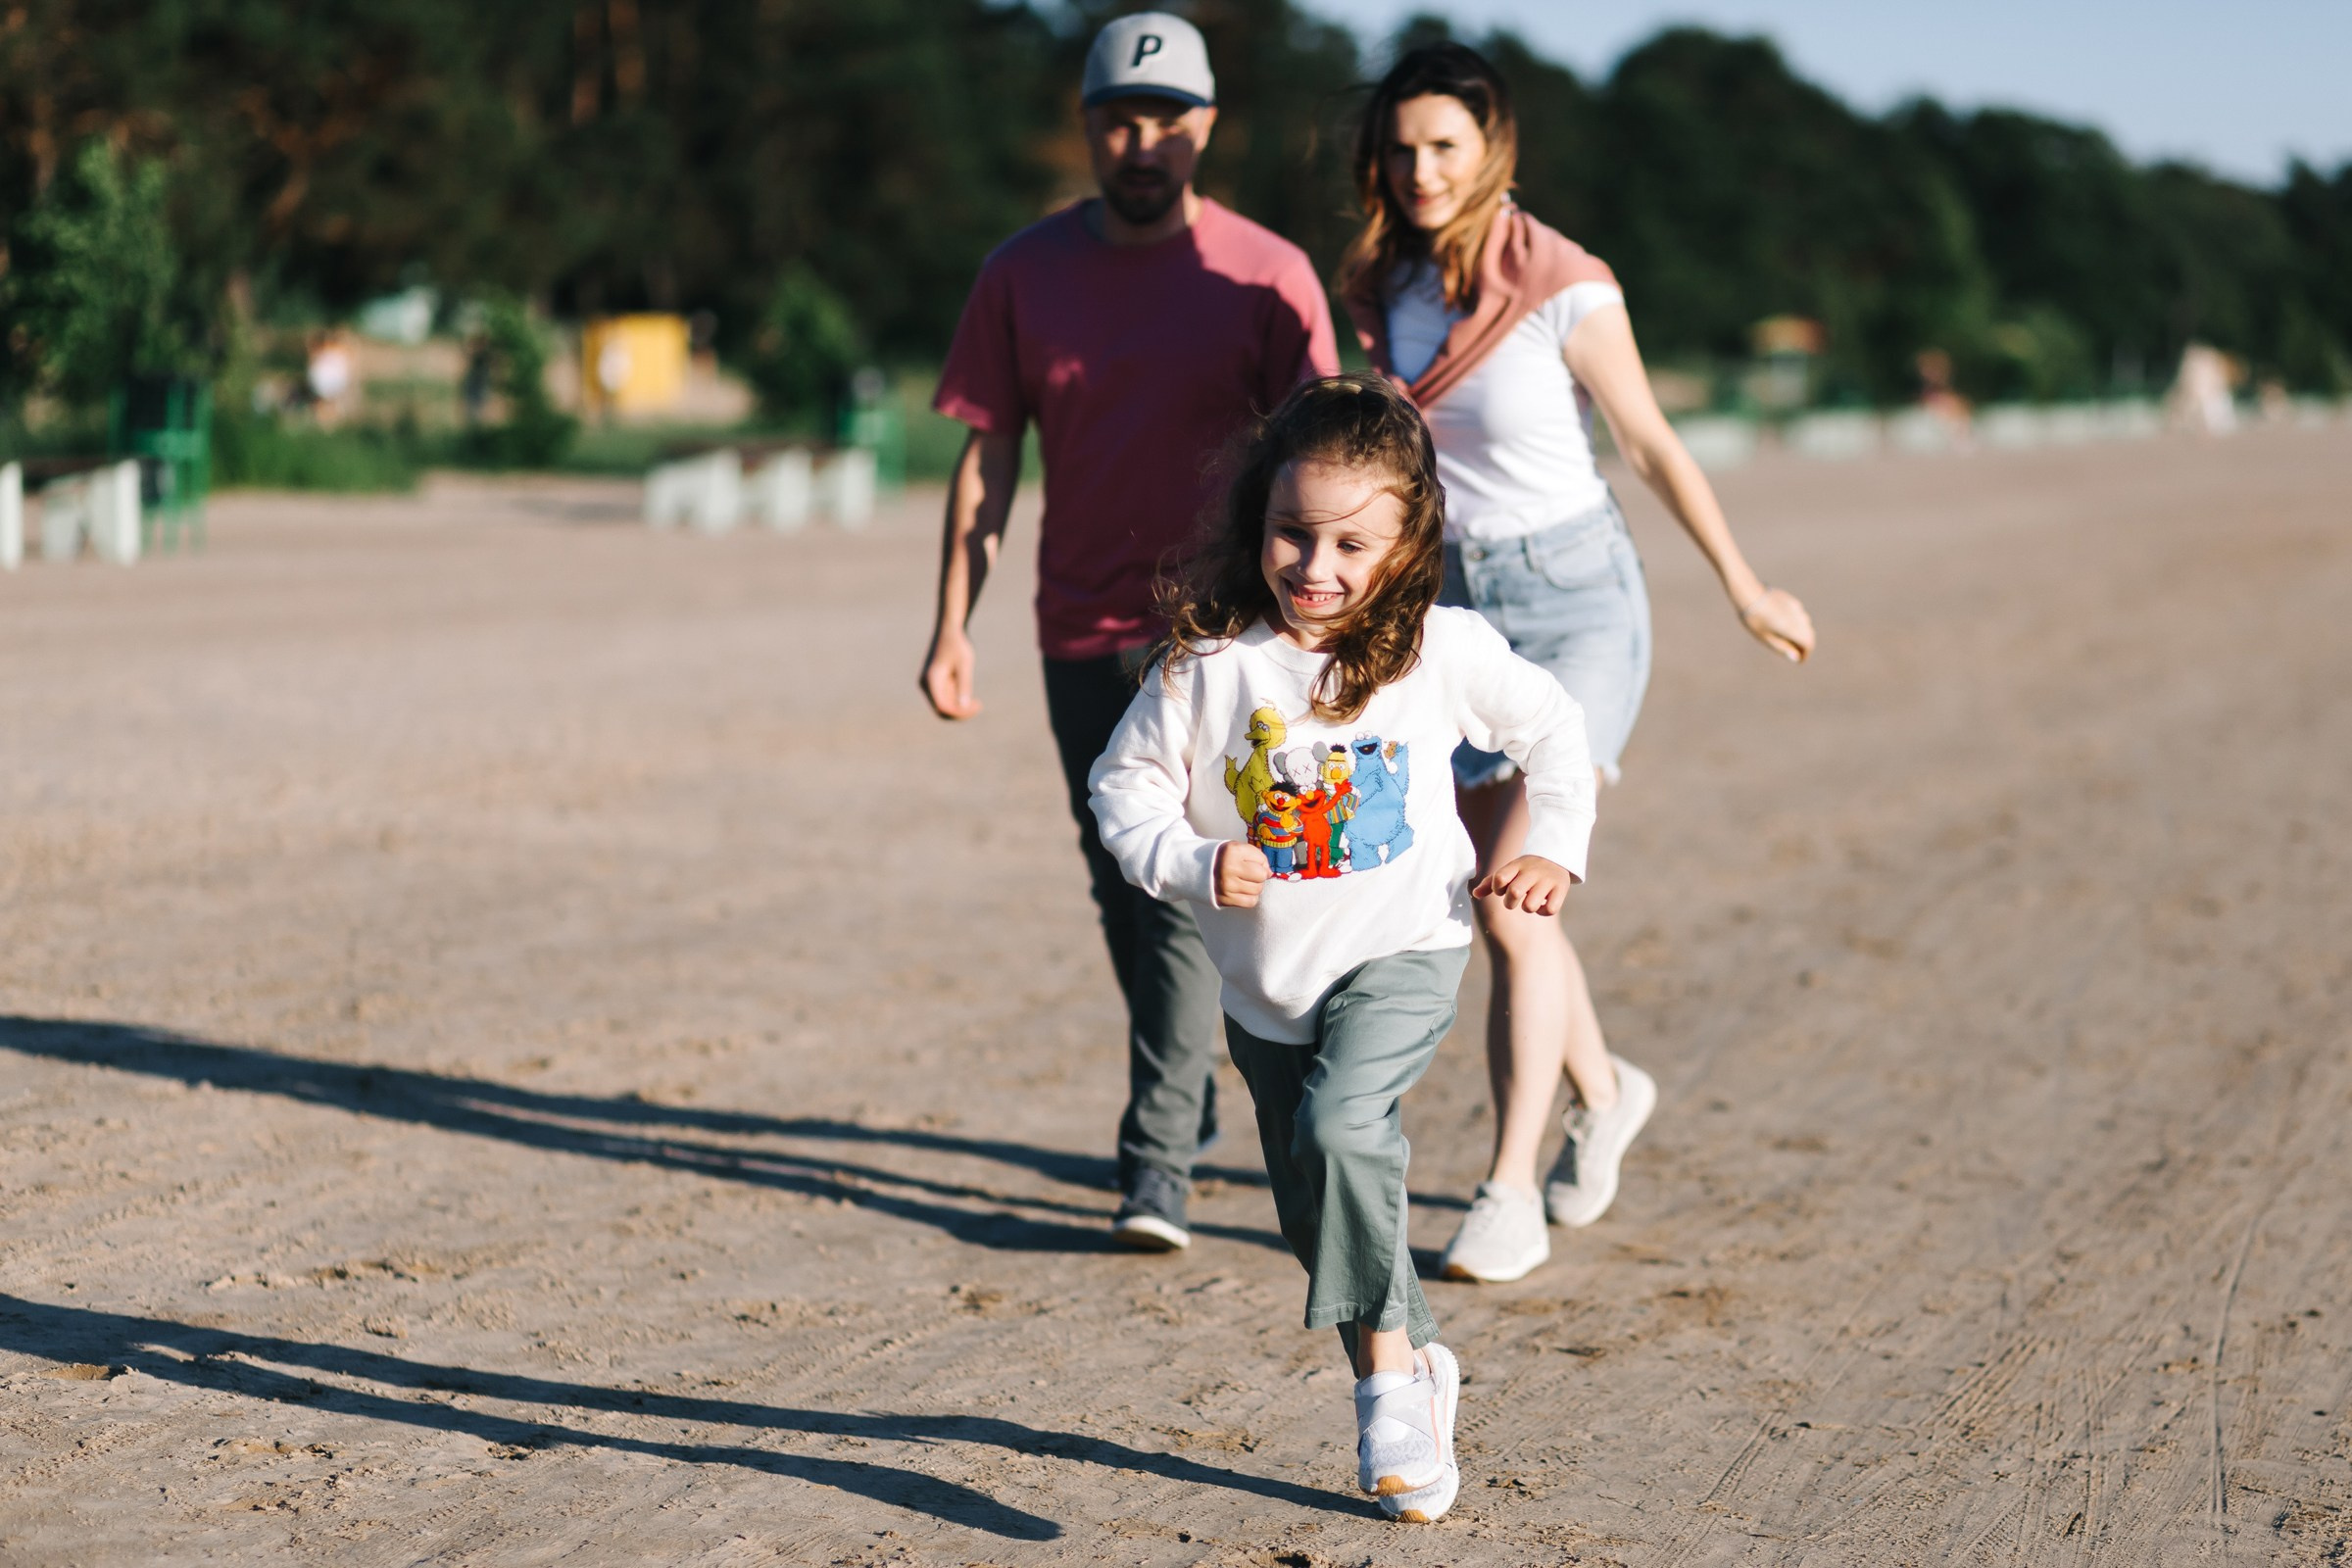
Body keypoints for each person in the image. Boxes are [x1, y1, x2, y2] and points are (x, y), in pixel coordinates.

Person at [1337, 44, 1817, 1284]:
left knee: (1510, 895)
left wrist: (1744, 584)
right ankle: (1606, 1092)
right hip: (1451, 612)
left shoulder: (1566, 284)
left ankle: (1508, 1189)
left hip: (1577, 605)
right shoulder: (1383, 279)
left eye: (1445, 145)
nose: (1421, 169)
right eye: (1402, 147)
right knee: (1514, 904)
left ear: (1493, 148)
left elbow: (1648, 443)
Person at [1089, 374, 1596, 1522]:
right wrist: (1186, 860)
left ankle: (1384, 1395)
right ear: (1256, 517)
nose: (1315, 567)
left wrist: (1554, 847)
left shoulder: (1438, 649)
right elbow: (1122, 789)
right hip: (1266, 986)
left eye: (1352, 543)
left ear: (1410, 538)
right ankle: (1420, 1357)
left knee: (1340, 1126)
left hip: (1406, 949)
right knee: (1317, 1197)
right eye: (1291, 533)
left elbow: (1555, 729)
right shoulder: (1210, 664)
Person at [920, 13, 1340, 1250]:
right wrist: (954, 626)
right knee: (1126, 882)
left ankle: (1156, 1156)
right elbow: (986, 458)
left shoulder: (1268, 275)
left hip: (1225, 639)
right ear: (1090, 125)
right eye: (1119, 118)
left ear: (1206, 126)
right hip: (1079, 631)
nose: (1142, 141)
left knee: (1179, 897)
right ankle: (1189, 1097)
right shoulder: (1022, 273)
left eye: (1166, 120)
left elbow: (1328, 462)